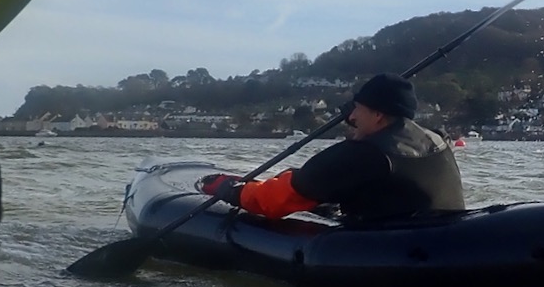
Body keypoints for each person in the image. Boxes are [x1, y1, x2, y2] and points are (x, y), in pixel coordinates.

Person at [196, 73, 465, 222]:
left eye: (357, 110)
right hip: (441, 236)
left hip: (394, 249)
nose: (352, 118)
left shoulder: (362, 154)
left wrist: (227, 190)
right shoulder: (437, 139)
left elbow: (273, 201)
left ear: (379, 116)